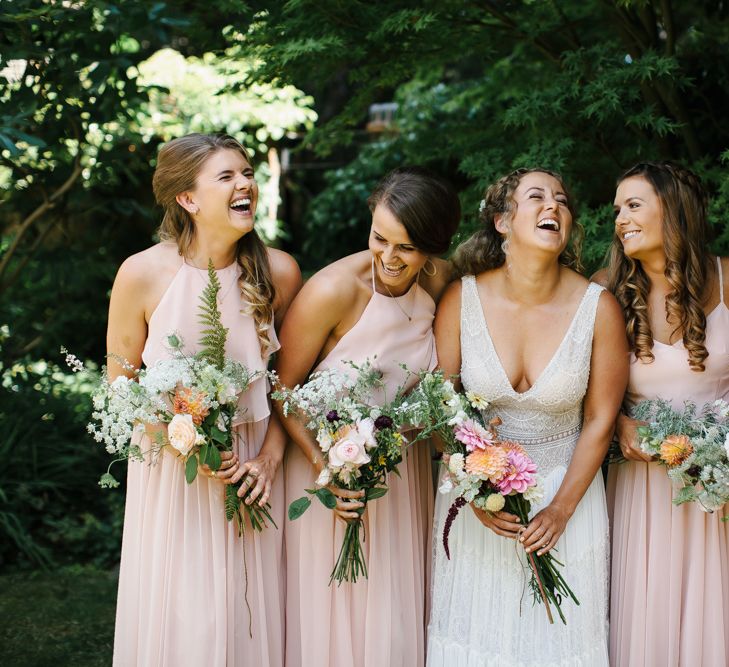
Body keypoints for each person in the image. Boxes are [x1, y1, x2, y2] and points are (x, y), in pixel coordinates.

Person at [109, 133, 301, 667]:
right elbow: (121, 386)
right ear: (188, 200)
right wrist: (182, 440)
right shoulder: (142, 273)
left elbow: (289, 386)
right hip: (173, 472)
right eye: (227, 177)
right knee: (182, 615)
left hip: (251, 469)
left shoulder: (279, 273)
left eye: (246, 173)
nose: (245, 184)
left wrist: (268, 458)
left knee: (245, 609)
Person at [428, 168, 628, 665]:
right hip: (478, 507)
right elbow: (438, 408)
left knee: (559, 642)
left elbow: (601, 419)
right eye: (536, 197)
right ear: (501, 221)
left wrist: (560, 510)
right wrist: (473, 491)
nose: (553, 207)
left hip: (568, 497)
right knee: (476, 639)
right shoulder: (461, 298)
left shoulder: (597, 308)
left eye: (562, 201)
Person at [276, 167, 461, 667]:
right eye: (380, 238)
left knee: (392, 619)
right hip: (327, 473)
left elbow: (439, 384)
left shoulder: (443, 283)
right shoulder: (333, 289)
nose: (389, 257)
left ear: (433, 247)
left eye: (407, 247)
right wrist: (329, 469)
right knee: (335, 614)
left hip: (400, 477)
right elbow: (282, 391)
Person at [600, 162, 729, 666]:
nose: (620, 219)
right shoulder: (605, 291)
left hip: (718, 490)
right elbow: (578, 387)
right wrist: (617, 422)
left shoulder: (726, 276)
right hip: (646, 488)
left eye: (633, 205)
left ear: (673, 209)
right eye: (617, 210)